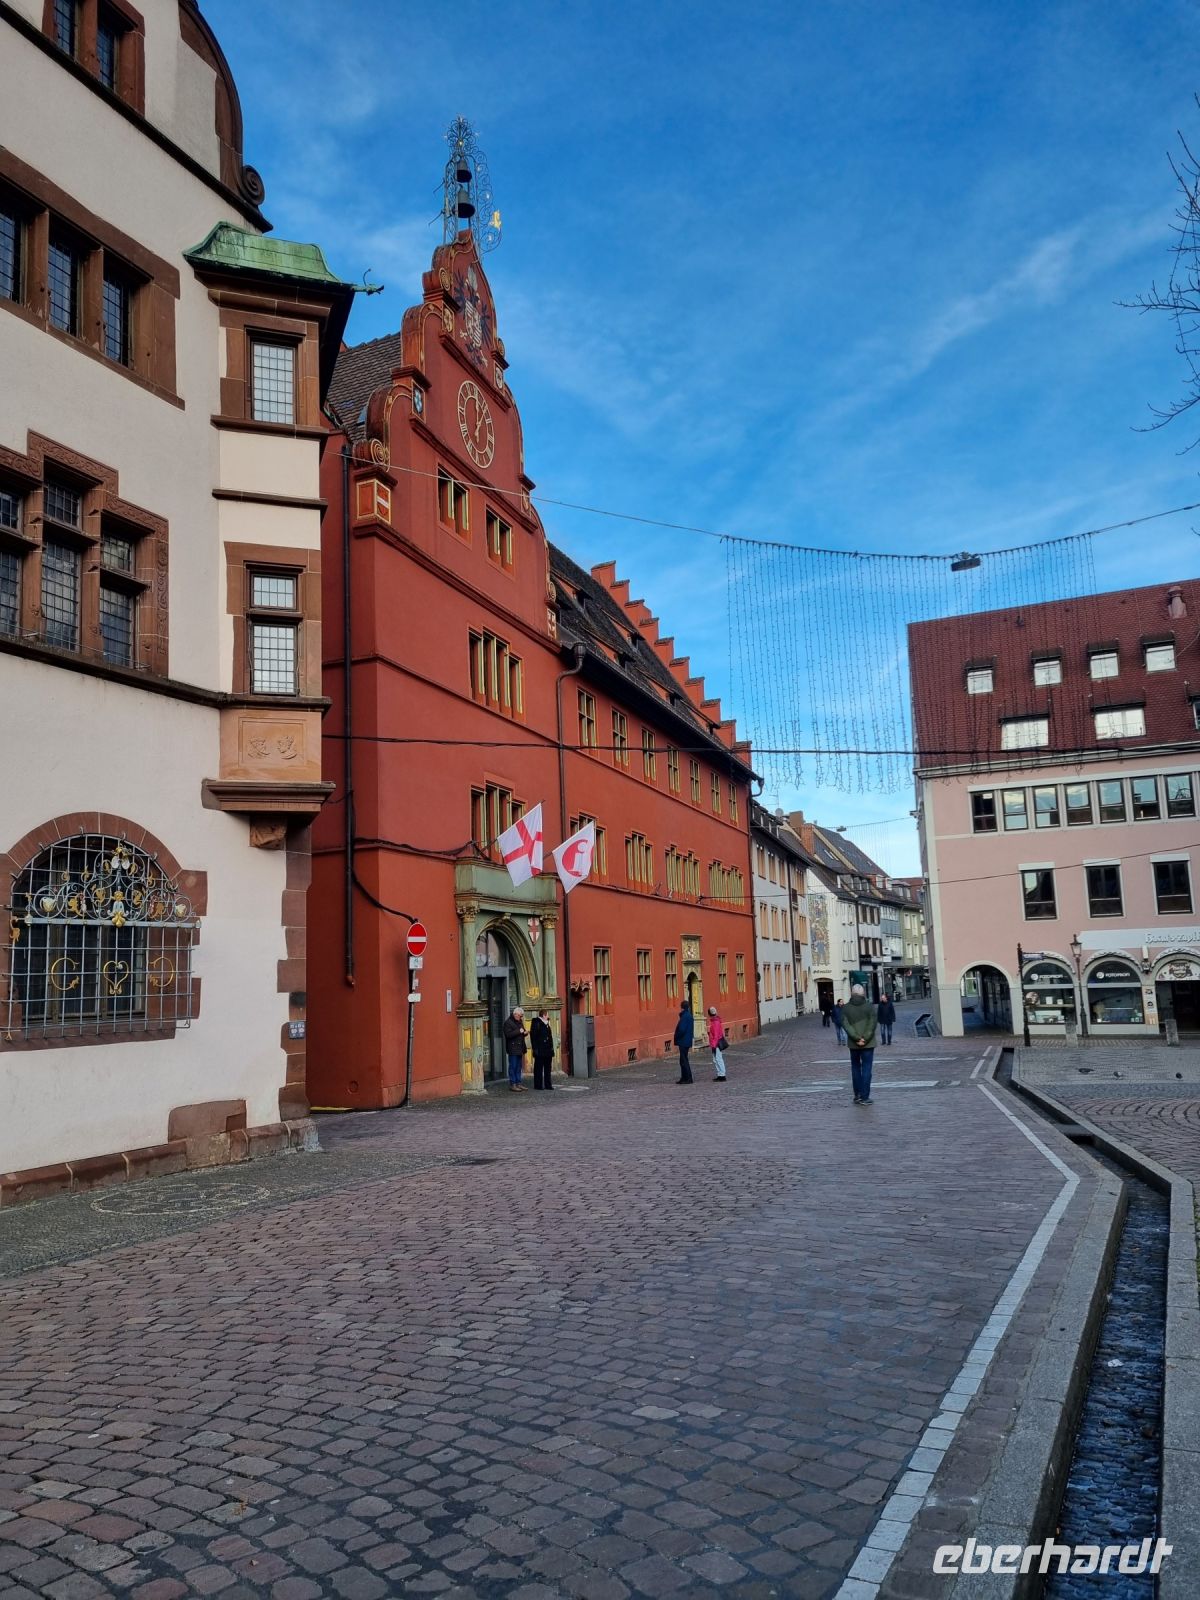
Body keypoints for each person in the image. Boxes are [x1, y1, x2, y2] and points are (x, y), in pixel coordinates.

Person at [843, 983, 877, 1104]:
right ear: (863, 993)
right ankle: (865, 1096)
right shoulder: (869, 1007)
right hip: (868, 1044)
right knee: (867, 1069)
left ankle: (857, 1095)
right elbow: (872, 1024)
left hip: (853, 1044)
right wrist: (865, 1038)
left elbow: (846, 1025)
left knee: (855, 1068)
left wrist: (856, 1038)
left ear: (852, 993)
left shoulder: (846, 1008)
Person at [502, 1006, 528, 1093]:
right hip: (512, 1048)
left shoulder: (519, 1021)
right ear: (515, 1014)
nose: (521, 1017)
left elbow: (522, 1031)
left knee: (518, 1066)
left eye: (522, 1016)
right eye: (520, 1016)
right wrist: (519, 1031)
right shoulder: (508, 1022)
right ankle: (513, 1084)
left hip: (520, 1047)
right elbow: (508, 1035)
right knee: (513, 1066)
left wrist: (525, 1033)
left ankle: (518, 1083)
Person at [530, 1008, 555, 1091]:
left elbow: (550, 1038)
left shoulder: (547, 1023)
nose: (548, 1016)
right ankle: (538, 1085)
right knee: (538, 1068)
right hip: (540, 1050)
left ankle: (548, 1084)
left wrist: (551, 1049)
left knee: (548, 1068)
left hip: (548, 1050)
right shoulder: (536, 1023)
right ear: (544, 1015)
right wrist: (535, 1049)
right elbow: (533, 1037)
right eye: (547, 1015)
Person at [673, 1001, 694, 1084]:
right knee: (683, 1060)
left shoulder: (685, 1016)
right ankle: (684, 1078)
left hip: (683, 1041)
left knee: (684, 1060)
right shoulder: (689, 1016)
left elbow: (682, 1029)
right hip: (687, 1040)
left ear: (682, 1007)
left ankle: (688, 1078)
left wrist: (677, 1036)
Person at [707, 1005, 727, 1081]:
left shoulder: (715, 1022)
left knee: (718, 1059)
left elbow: (715, 1035)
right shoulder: (715, 1021)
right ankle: (720, 1074)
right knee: (716, 1059)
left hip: (716, 1043)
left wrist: (714, 1046)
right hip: (715, 1043)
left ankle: (722, 1075)